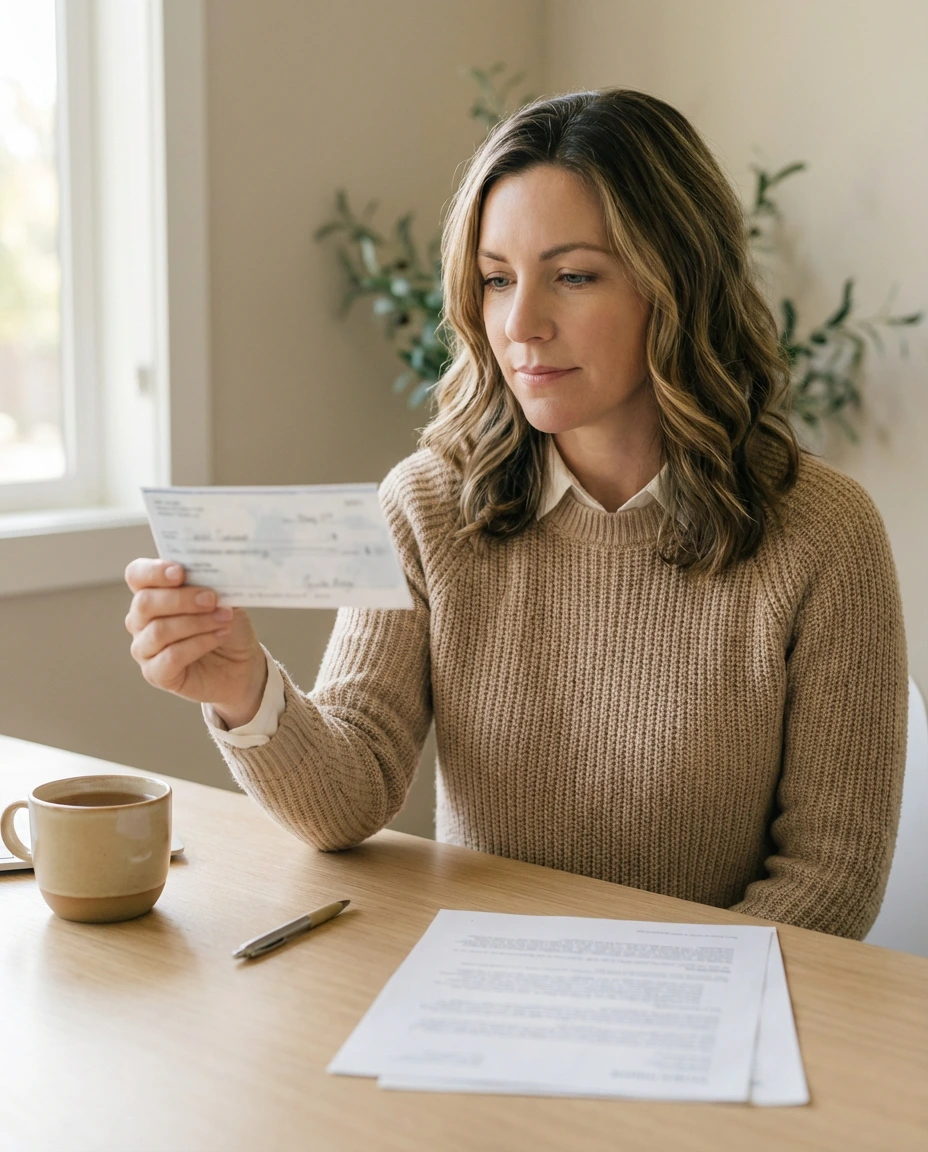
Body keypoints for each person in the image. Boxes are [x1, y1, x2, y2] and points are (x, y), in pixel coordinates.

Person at [124, 88, 908, 941]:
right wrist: (245, 690)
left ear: (677, 283)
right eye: (497, 280)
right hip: (480, 1001)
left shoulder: (825, 533)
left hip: (706, 1021)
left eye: (573, 276)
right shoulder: (426, 504)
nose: (521, 324)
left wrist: (660, 1004)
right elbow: (348, 799)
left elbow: (830, 875)